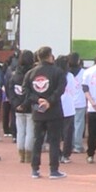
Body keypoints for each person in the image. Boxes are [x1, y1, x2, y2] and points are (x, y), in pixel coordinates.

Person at [24, 46, 67, 179]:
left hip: (38, 112)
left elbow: (26, 91)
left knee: (37, 140)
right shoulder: (58, 72)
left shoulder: (30, 73)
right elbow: (61, 89)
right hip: (54, 112)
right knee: (54, 141)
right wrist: (49, 101)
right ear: (50, 56)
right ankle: (53, 170)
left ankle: (35, 169)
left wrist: (37, 100)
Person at [7, 49, 35, 163]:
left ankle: (21, 154)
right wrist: (25, 104)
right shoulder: (32, 74)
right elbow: (33, 92)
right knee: (30, 131)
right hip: (30, 107)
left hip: (17, 107)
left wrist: (16, 104)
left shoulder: (14, 75)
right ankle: (28, 154)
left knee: (20, 131)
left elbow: (10, 91)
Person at [54, 55, 78, 164]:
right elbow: (73, 90)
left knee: (55, 133)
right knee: (68, 133)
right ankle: (65, 155)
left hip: (56, 106)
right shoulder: (70, 76)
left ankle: (57, 153)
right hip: (68, 106)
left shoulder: (54, 75)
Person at [68, 53, 86, 154]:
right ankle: (77, 145)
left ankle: (69, 145)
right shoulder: (83, 72)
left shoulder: (66, 73)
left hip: (68, 101)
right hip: (80, 100)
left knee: (69, 125)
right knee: (78, 124)